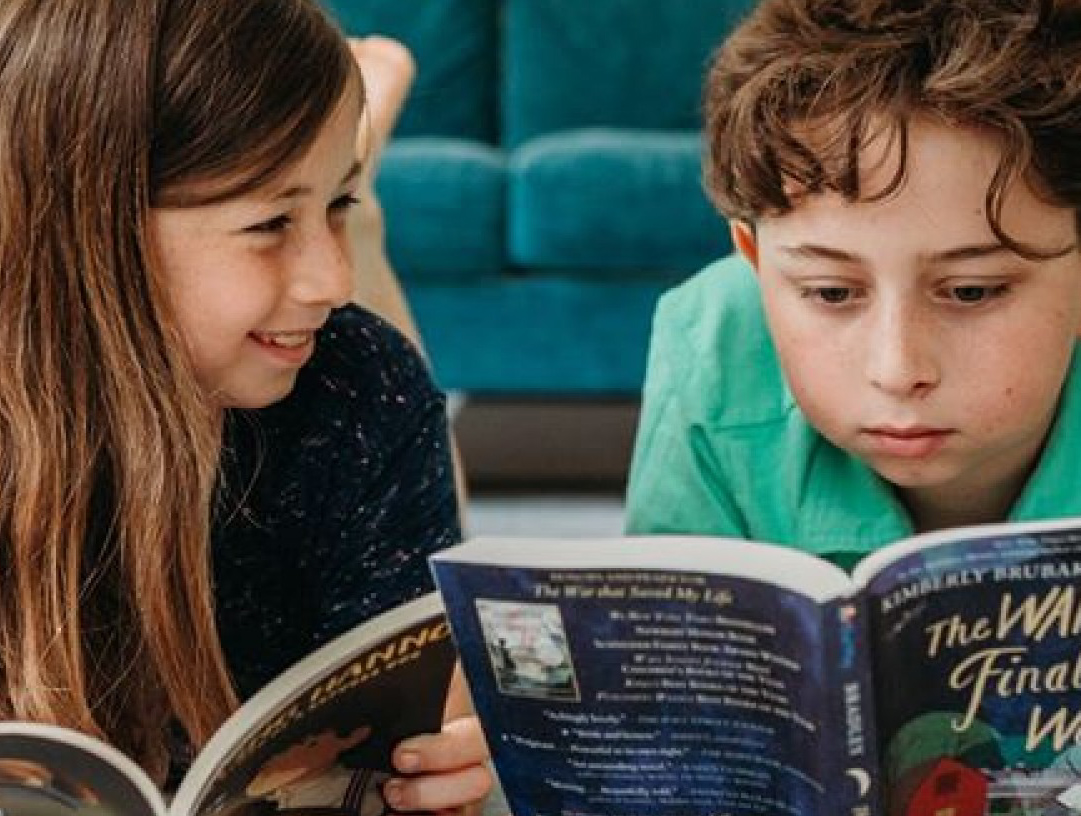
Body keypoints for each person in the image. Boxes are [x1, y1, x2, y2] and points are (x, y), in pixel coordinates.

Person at [0, 1, 490, 813]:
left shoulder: (362, 386)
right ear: (95, 229)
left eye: (340, 206)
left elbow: (414, 741)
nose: (329, 282)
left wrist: (443, 766)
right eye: (270, 222)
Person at [625, 0, 1081, 569]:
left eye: (971, 290)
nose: (898, 371)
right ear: (756, 260)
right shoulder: (710, 339)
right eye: (831, 292)